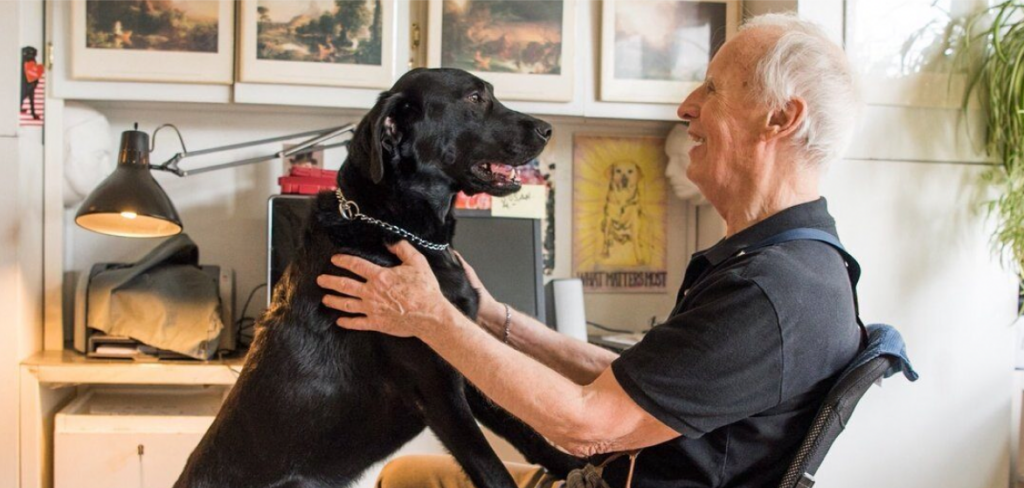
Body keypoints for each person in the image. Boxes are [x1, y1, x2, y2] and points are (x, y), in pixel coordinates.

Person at [317, 13, 862, 488]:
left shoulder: (771, 291)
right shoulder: (787, 263)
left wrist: (432, 318)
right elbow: (634, 387)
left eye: (713, 89)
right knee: (403, 476)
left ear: (780, 119)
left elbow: (587, 428)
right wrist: (491, 317)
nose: (686, 105)